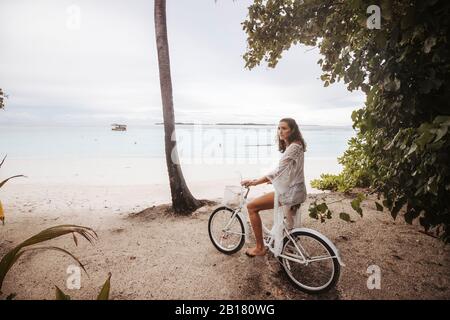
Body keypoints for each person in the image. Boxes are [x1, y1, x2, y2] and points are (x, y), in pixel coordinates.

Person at [241, 118, 307, 257]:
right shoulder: (296, 145)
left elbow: (278, 171)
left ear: (292, 130)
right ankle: (288, 244)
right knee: (287, 224)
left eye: (284, 128)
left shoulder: (294, 147)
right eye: (279, 128)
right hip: (297, 190)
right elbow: (290, 169)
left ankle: (260, 248)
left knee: (252, 207)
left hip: (291, 192)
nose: (280, 132)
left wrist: (255, 182)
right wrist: (276, 179)